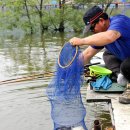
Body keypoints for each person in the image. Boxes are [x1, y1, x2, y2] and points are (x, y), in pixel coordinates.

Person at [69, 5, 130, 104]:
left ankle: (128, 84)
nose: (93, 32)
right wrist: (71, 69)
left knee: (126, 66)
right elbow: (87, 54)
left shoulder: (119, 22)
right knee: (107, 55)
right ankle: (120, 75)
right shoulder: (103, 34)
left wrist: (82, 41)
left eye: (92, 28)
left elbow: (109, 37)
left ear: (101, 21)